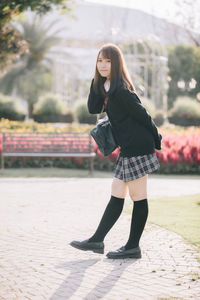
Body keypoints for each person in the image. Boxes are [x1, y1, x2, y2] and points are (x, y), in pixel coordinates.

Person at [70, 43, 162, 259]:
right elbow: (93, 108)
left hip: (138, 147)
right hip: (129, 147)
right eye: (100, 61)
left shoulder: (120, 89)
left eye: (108, 61)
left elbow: (143, 115)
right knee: (117, 191)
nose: (102, 65)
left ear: (116, 63)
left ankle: (131, 246)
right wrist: (96, 80)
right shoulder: (108, 86)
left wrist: (156, 138)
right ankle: (97, 240)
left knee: (138, 196)